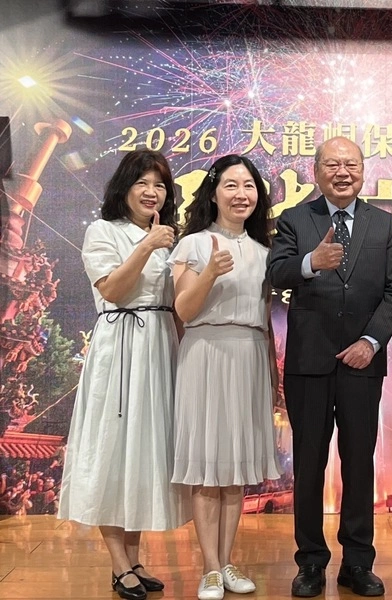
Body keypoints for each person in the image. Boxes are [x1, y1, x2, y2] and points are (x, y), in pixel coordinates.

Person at [268, 136, 392, 598]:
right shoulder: (294, 219)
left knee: (359, 463)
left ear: (363, 171)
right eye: (332, 164)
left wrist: (371, 342)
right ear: (316, 172)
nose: (342, 172)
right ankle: (310, 562)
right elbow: (277, 273)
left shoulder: (383, 224)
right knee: (309, 465)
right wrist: (312, 262)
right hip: (309, 363)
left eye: (351, 164)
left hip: (363, 364)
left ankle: (358, 562)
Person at [58, 149, 190, 600]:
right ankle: (118, 565)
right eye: (142, 183)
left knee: (141, 454)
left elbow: (176, 304)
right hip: (120, 347)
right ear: (124, 188)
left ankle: (134, 560)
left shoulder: (169, 237)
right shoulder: (103, 231)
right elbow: (113, 290)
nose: (152, 192)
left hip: (159, 346)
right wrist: (147, 246)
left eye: (160, 185)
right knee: (113, 452)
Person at [170, 154, 283, 600]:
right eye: (231, 185)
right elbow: (184, 310)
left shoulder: (265, 253)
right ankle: (210, 569)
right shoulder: (193, 245)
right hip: (205, 352)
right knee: (207, 467)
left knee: (235, 469)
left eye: (249, 186)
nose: (241, 194)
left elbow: (266, 320)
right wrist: (210, 274)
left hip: (249, 354)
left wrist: (272, 375)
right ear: (213, 193)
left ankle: (228, 560)